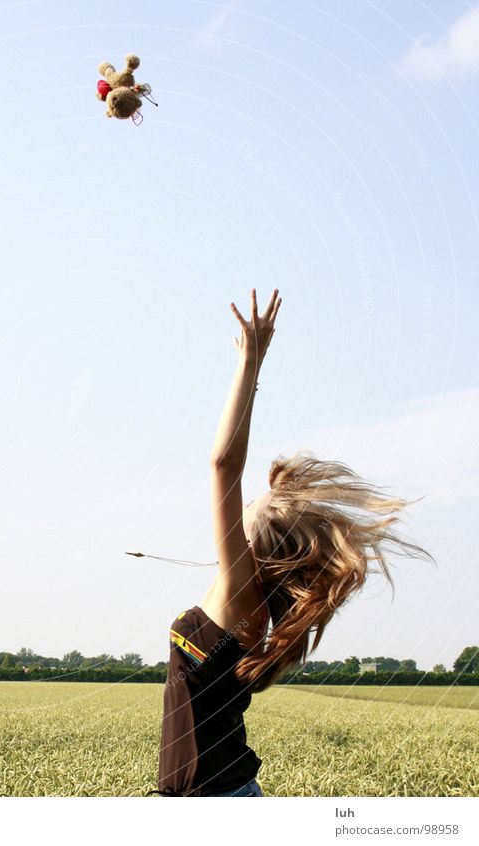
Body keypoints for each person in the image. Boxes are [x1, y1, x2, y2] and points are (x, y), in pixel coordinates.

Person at [148, 288, 434, 797]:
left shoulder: (240, 595)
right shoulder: (252, 613)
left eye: (251, 511)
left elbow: (223, 466)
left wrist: (249, 365)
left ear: (257, 547)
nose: (240, 511)